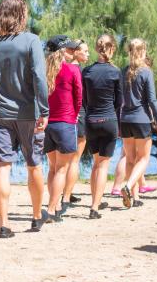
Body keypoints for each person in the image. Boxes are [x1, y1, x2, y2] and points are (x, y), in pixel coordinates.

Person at [0, 0, 49, 237]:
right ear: (22, 15)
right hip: (28, 113)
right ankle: (35, 217)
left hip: (1, 112)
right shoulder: (31, 40)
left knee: (3, 166)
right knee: (34, 165)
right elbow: (39, 78)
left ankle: (3, 224)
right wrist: (44, 109)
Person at [119, 39, 157, 208]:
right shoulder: (146, 72)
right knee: (143, 158)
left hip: (125, 120)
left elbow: (119, 100)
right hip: (141, 119)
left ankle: (135, 197)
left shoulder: (123, 71)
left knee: (130, 159)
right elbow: (152, 100)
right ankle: (128, 186)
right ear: (143, 51)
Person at [82, 34, 122, 219]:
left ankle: (94, 201)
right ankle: (95, 207)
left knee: (95, 164)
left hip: (90, 121)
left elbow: (83, 100)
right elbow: (119, 101)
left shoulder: (87, 72)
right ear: (112, 49)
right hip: (108, 120)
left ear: (97, 49)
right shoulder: (115, 72)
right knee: (103, 165)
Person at [43, 35, 83, 221]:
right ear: (61, 51)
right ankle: (52, 209)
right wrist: (73, 116)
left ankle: (56, 204)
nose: (73, 52)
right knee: (61, 169)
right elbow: (78, 97)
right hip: (65, 123)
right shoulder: (72, 70)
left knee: (52, 168)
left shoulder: (42, 70)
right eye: (69, 49)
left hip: (46, 125)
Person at [62, 39, 88, 208]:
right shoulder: (78, 71)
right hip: (78, 116)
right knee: (74, 160)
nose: (87, 53)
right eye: (84, 51)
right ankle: (66, 195)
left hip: (65, 117)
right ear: (76, 52)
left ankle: (66, 193)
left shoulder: (63, 69)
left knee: (64, 161)